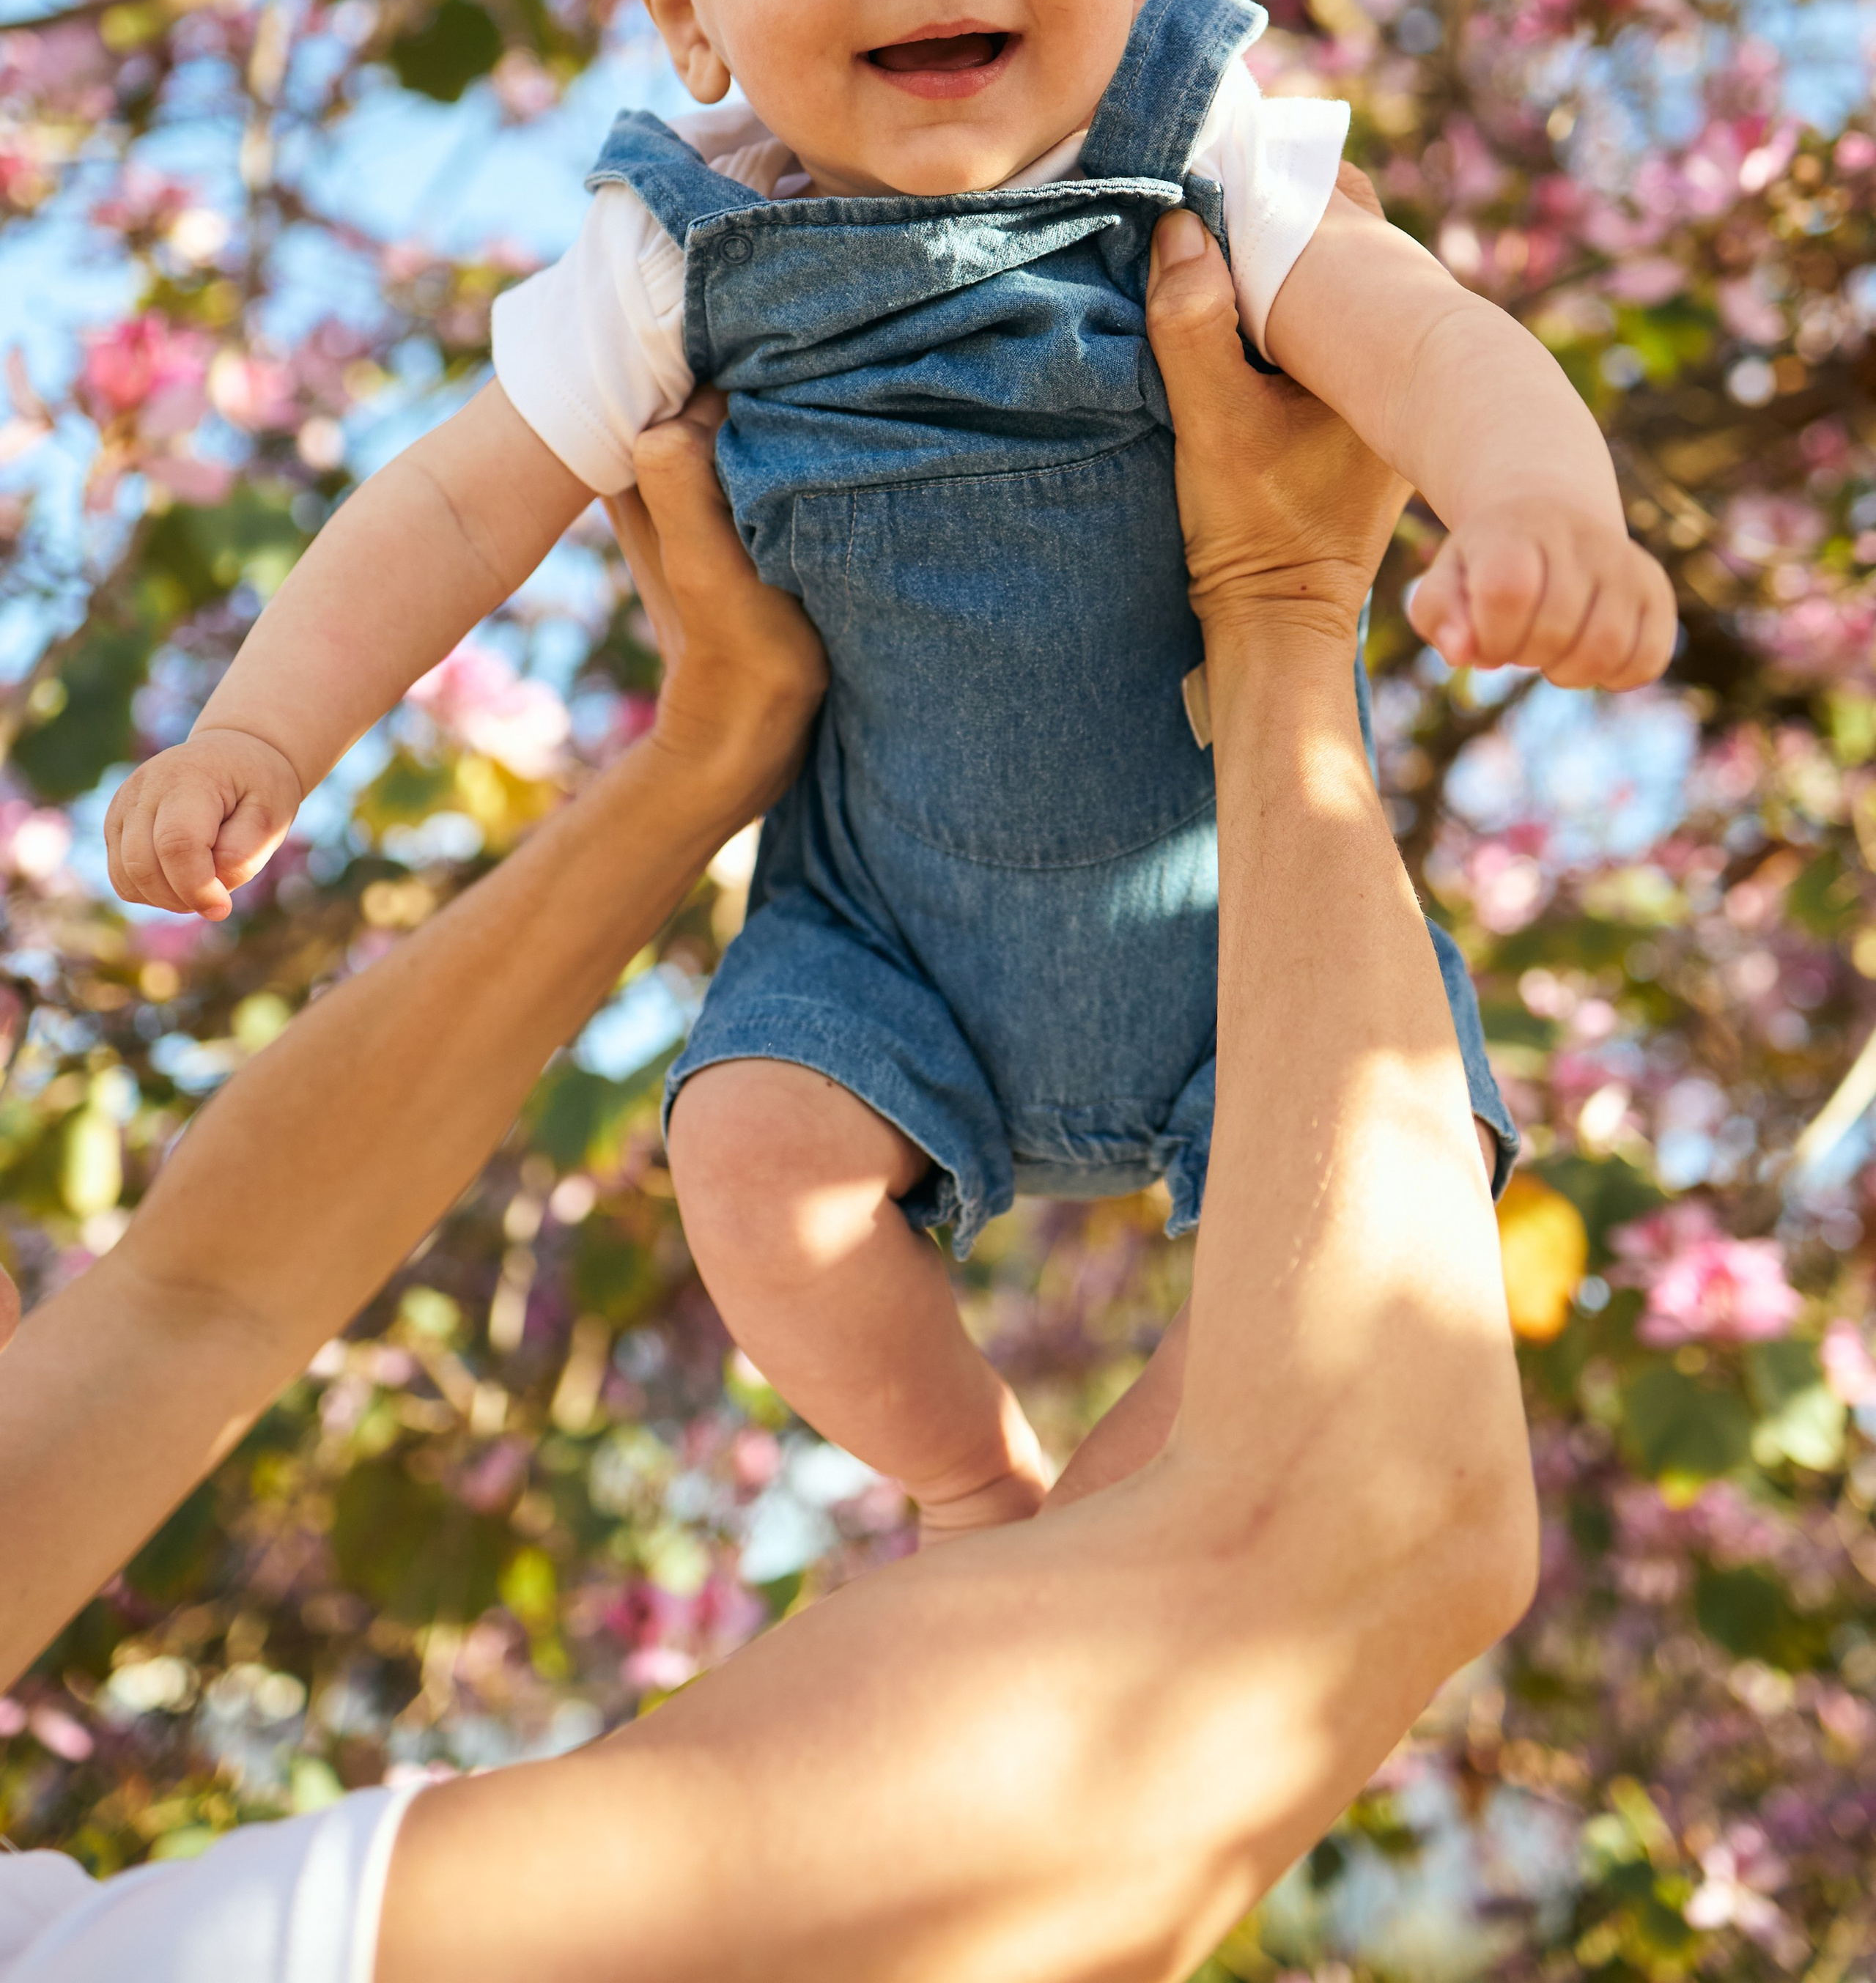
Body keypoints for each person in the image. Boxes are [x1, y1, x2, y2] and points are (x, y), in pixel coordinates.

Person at [98, 0, 1649, 1541]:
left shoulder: (1204, 154)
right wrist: (259, 739)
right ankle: (966, 1482)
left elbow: (1418, 330)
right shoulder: (670, 258)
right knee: (744, 1153)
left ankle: (1137, 1541)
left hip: (1253, 916)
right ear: (683, 6)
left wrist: (1536, 499)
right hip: (881, 948)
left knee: (1381, 1230)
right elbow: (453, 501)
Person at [1, 218, 1537, 1981]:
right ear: (680, 2)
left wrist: (706, 752)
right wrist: (1277, 614)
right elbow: (1365, 1531)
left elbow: (195, 1297)